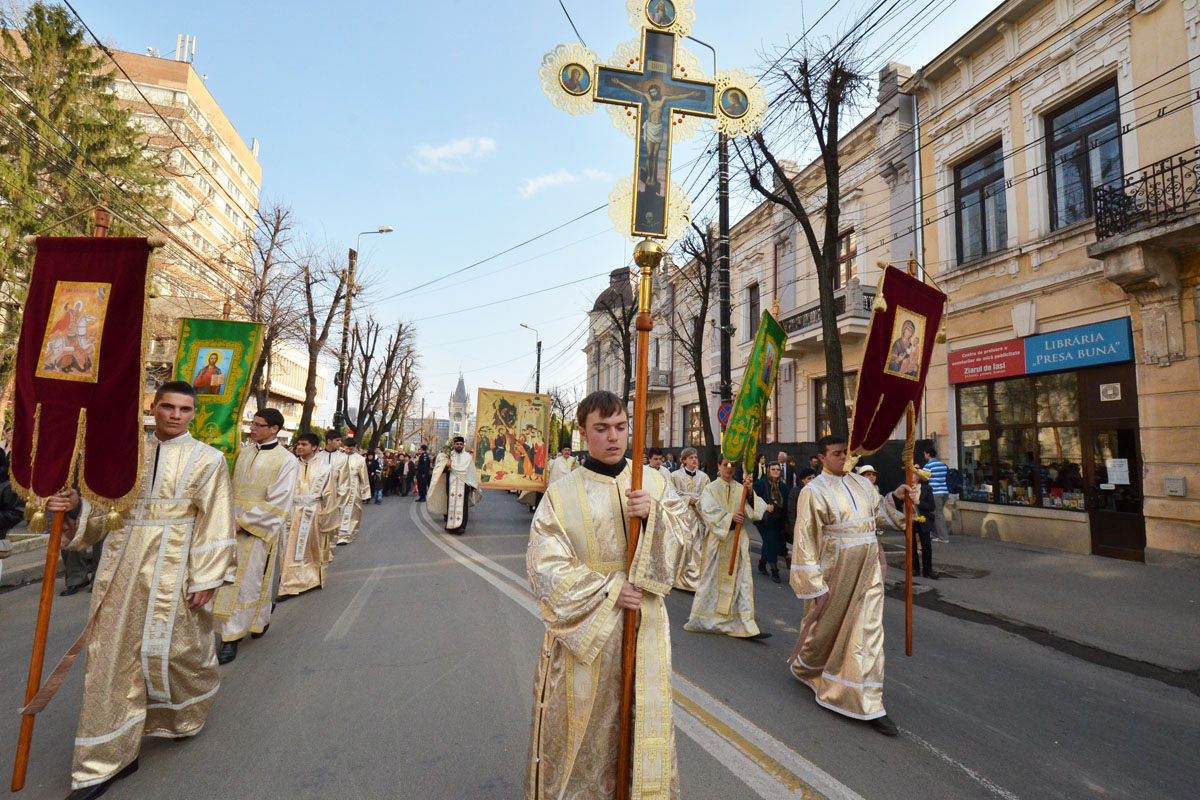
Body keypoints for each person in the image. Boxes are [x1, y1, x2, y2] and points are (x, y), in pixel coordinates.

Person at [49, 381, 235, 798]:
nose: (174, 414)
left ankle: (182, 714)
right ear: (153, 407)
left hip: (176, 566)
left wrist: (206, 578)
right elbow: (105, 511)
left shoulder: (209, 459)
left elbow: (216, 519)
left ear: (193, 415)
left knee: (176, 651)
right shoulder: (124, 456)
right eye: (167, 406)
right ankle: (105, 757)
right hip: (122, 565)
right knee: (111, 656)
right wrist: (78, 507)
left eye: (184, 409)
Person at [525, 390, 689, 799]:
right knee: (586, 734)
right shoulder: (561, 495)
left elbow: (688, 545)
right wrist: (612, 589)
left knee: (640, 726)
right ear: (583, 432)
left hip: (645, 628)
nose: (614, 437)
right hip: (588, 637)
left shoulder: (653, 483)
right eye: (601, 429)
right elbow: (545, 568)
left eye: (620, 427)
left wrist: (656, 517)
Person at [788, 434, 917, 736]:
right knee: (826, 628)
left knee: (868, 629)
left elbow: (879, 518)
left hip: (869, 567)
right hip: (836, 568)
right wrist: (813, 583)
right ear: (821, 457)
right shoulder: (813, 491)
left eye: (846, 453)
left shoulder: (863, 484)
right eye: (836, 454)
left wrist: (898, 496)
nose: (842, 458)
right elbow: (805, 538)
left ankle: (865, 701)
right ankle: (809, 665)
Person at [212, 408, 298, 664]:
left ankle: (231, 637)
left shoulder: (286, 460)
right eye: (252, 423)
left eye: (259, 425)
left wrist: (244, 523)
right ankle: (256, 620)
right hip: (228, 521)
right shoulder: (244, 452)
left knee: (247, 580)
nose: (252, 428)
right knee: (223, 577)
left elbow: (280, 500)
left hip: (255, 527)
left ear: (274, 429)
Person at [685, 457, 770, 639]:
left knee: (742, 582)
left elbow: (754, 512)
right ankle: (703, 619)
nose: (729, 469)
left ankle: (743, 624)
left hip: (738, 542)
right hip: (718, 541)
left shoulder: (741, 489)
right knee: (711, 580)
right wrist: (730, 518)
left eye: (732, 466)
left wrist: (749, 493)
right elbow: (706, 510)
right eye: (725, 465)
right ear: (718, 466)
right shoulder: (711, 488)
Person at [278, 433, 341, 596]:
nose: (299, 447)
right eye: (298, 444)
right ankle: (288, 583)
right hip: (290, 512)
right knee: (288, 549)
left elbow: (330, 495)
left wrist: (327, 521)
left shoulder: (325, 469)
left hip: (314, 512)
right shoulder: (288, 466)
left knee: (311, 549)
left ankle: (311, 579)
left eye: (304, 444)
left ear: (314, 447)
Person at [670, 446, 710, 592]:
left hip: (697, 518)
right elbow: (670, 495)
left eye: (696, 457)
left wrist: (699, 501)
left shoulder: (704, 477)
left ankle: (696, 581)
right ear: (684, 460)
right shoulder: (674, 476)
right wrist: (687, 498)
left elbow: (708, 496)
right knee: (682, 547)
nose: (695, 460)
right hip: (682, 516)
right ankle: (678, 579)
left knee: (697, 548)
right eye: (691, 457)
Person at [429, 437, 482, 534]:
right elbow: (440, 471)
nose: (459, 446)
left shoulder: (467, 457)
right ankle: (451, 525)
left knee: (463, 506)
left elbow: (472, 472)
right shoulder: (449, 456)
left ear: (463, 445)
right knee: (451, 504)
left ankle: (462, 527)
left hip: (464, 485)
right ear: (454, 445)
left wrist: (473, 485)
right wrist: (446, 465)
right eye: (457, 444)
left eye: (461, 444)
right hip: (451, 485)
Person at [754, 462, 788, 583]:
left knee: (769, 543)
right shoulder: (761, 484)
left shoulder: (783, 486)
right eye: (772, 469)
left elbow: (786, 505)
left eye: (778, 469)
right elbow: (752, 499)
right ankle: (774, 570)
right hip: (764, 520)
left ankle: (762, 563)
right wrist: (764, 506)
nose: (775, 471)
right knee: (772, 542)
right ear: (768, 470)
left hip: (778, 521)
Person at [335, 441, 371, 545]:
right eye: (346, 448)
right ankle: (337, 533)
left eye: (350, 449)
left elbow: (363, 475)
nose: (348, 451)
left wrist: (365, 492)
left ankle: (347, 534)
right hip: (340, 486)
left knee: (352, 510)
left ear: (355, 447)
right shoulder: (339, 457)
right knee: (338, 510)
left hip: (353, 486)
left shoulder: (360, 459)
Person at [912, 465, 938, 579]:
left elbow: (931, 506)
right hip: (909, 520)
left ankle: (928, 570)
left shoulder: (926, 489)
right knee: (911, 545)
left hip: (923, 519)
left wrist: (919, 503)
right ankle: (914, 568)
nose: (912, 476)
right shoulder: (902, 487)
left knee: (926, 545)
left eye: (914, 474)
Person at [785, 467, 819, 549]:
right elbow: (791, 511)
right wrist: (794, 529)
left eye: (814, 478)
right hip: (802, 526)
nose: (812, 480)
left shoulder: (818, 491)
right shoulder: (796, 492)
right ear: (803, 480)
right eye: (809, 478)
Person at [923, 445, 950, 542]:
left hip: (935, 492)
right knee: (936, 513)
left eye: (925, 454)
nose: (924, 456)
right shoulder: (943, 464)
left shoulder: (928, 466)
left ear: (928, 454)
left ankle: (943, 537)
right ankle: (934, 534)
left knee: (938, 514)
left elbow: (924, 478)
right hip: (945, 492)